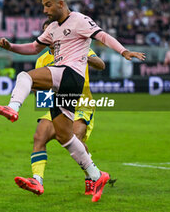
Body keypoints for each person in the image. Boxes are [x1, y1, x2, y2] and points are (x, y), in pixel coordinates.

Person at [0, 0, 145, 202]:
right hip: (65, 84)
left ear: (61, 4)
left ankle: (12, 108)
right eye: (43, 5)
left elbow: (102, 36)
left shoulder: (79, 19)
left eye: (48, 4)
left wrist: (124, 51)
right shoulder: (52, 28)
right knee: (65, 137)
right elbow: (34, 48)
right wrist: (10, 46)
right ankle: (97, 175)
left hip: (71, 74)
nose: (44, 10)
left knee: (25, 76)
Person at [15, 20, 105, 196]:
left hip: (81, 104)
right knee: (39, 136)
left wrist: (86, 57)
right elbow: (39, 91)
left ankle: (92, 177)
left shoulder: (77, 47)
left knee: (75, 139)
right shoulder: (42, 59)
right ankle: (37, 181)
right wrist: (34, 88)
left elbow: (101, 65)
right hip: (59, 104)